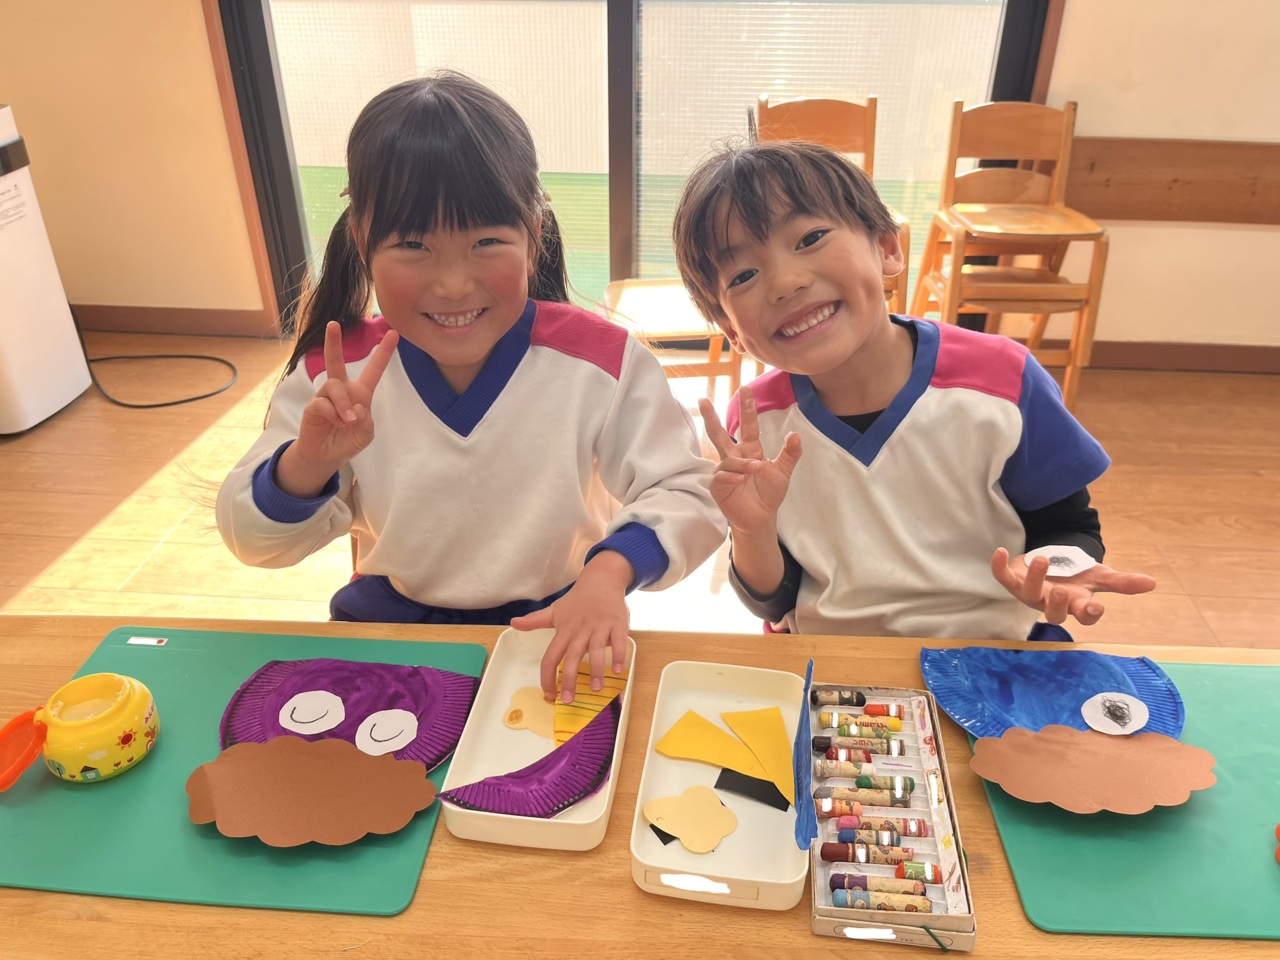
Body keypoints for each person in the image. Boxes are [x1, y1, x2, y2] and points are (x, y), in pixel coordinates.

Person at [218, 72, 724, 700]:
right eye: (413, 245)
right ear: (363, 242)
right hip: (388, 638)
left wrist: (609, 574)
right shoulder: (336, 374)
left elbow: (688, 490)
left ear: (533, 236)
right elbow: (252, 541)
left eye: (486, 241)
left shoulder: (602, 362)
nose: (454, 284)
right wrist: (305, 466)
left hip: (556, 631)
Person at [671, 140, 1154, 640]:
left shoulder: (1002, 379)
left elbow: (1068, 524)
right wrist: (752, 530)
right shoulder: (757, 423)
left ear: (887, 247)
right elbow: (774, 600)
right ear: (731, 331)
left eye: (810, 238)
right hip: (831, 665)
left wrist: (1057, 569)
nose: (785, 283)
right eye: (744, 275)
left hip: (991, 652)